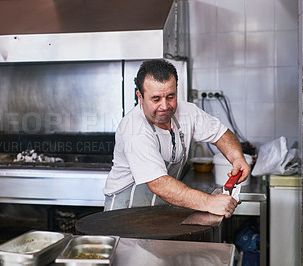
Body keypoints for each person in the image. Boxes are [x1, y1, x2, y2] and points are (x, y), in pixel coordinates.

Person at [103, 59, 251, 218]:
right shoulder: (134, 129)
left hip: (159, 210)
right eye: (156, 99)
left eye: (170, 96)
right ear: (140, 96)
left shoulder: (187, 111)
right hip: (124, 213)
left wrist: (237, 157)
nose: (165, 106)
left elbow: (220, 133)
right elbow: (159, 184)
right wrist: (210, 202)